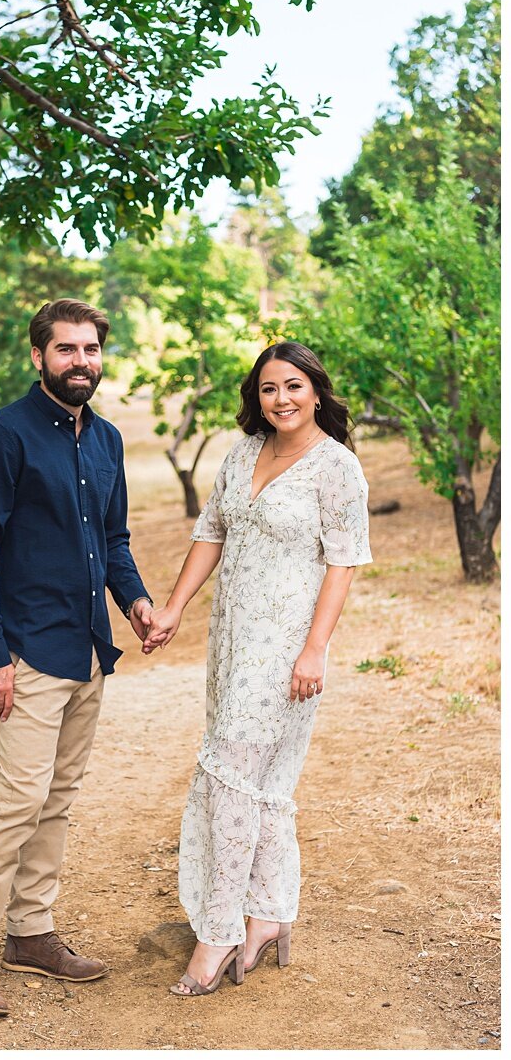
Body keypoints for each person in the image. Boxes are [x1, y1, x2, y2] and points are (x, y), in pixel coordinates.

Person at [0, 299, 156, 1017]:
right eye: (66, 350)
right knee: (18, 801)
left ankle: (30, 930)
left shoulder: (108, 440)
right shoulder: (4, 437)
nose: (80, 362)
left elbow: (112, 539)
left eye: (90, 349)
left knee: (57, 799)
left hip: (88, 647)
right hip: (27, 650)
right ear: (39, 356)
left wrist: (137, 603)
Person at [142, 341, 372, 997]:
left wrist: (315, 648)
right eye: (269, 388)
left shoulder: (337, 468)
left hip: (285, 651)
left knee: (230, 779)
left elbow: (344, 561)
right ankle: (269, 915)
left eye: (294, 386)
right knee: (259, 784)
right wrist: (176, 607)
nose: (282, 400)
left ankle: (218, 932)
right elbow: (210, 531)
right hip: (230, 643)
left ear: (318, 390)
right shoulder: (245, 451)